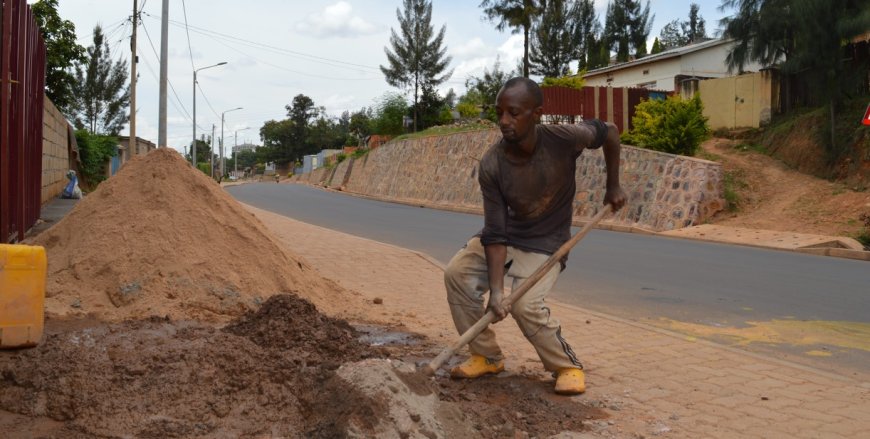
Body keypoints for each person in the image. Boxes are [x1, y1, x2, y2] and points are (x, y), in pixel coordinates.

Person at [444, 77, 627, 395]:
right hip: (507, 236)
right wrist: (497, 292)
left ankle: (566, 366)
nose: (504, 121)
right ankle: (486, 356)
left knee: (526, 305)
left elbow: (610, 131)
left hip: (547, 242)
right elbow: (496, 232)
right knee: (456, 274)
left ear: (537, 113)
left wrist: (613, 184)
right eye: (500, 112)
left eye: (513, 113)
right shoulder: (492, 165)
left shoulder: (564, 137)